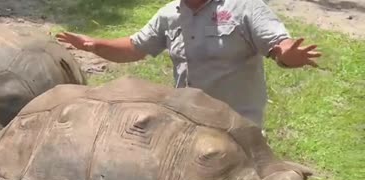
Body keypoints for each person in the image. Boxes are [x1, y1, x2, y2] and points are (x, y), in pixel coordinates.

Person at [56, 0, 321, 128]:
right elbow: (134, 48)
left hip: (237, 125)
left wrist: (287, 56)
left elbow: (278, 43)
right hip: (187, 120)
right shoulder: (170, 15)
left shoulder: (244, 7)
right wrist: (94, 45)